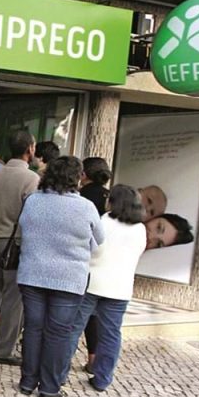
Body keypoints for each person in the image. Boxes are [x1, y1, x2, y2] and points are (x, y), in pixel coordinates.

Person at [17, 156, 104, 397]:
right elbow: (100, 240)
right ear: (77, 177)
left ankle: (27, 381)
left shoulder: (33, 201)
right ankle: (49, 387)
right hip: (69, 278)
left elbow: (24, 228)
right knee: (58, 331)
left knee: (33, 328)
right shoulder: (86, 207)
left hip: (32, 274)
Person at [62, 185, 146, 392]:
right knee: (111, 334)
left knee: (73, 329)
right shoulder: (140, 228)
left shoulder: (104, 221)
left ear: (113, 201)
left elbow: (93, 250)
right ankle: (102, 378)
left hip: (93, 283)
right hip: (121, 287)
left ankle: (59, 373)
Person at [0, 130, 39, 367]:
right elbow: (33, 216)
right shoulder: (31, 180)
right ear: (30, 149)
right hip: (15, 244)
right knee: (13, 299)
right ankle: (3, 349)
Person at [77, 156, 113, 372]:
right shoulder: (112, 197)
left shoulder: (83, 197)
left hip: (87, 257)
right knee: (98, 314)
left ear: (83, 174)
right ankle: (94, 358)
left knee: (84, 311)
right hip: (108, 259)